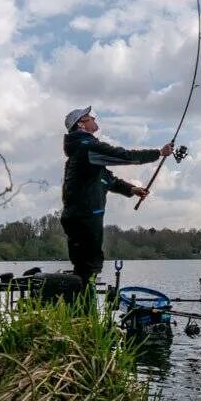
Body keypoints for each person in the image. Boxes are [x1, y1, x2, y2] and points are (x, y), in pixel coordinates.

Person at [60, 106, 172, 285]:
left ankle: (82, 308)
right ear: (81, 124)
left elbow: (106, 179)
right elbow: (124, 156)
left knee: (88, 267)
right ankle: (83, 309)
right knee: (88, 267)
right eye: (91, 117)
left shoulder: (83, 151)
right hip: (84, 218)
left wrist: (131, 189)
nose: (94, 119)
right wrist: (158, 153)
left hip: (82, 217)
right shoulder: (87, 147)